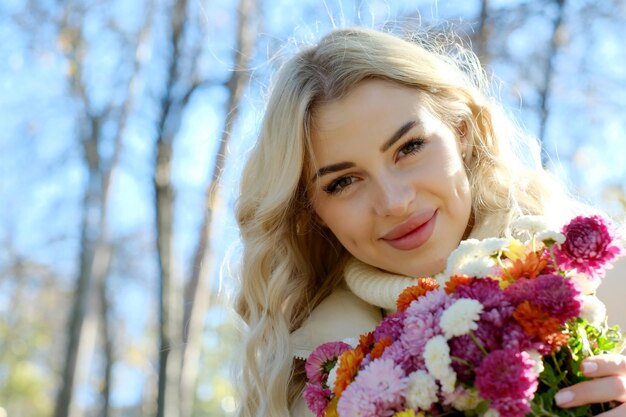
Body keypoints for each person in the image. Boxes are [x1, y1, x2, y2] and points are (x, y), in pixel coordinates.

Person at [234, 27, 626, 417]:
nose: (395, 202)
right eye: (343, 182)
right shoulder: (300, 385)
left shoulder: (609, 284)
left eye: (410, 147)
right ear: (313, 213)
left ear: (462, 133)